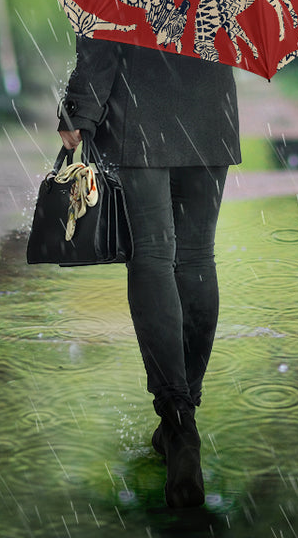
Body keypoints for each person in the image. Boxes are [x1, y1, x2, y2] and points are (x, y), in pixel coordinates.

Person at [58, 34, 240, 508]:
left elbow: (102, 27)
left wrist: (80, 108)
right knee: (198, 255)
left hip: (139, 110)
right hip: (209, 106)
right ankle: (184, 414)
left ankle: (177, 417)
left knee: (153, 256)